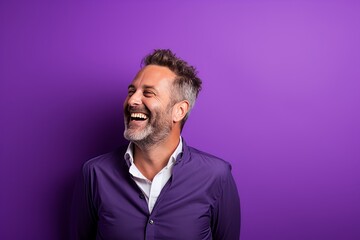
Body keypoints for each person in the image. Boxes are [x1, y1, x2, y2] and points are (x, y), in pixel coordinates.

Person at [70, 49, 240, 240]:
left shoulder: (216, 176)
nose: (132, 100)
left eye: (148, 93)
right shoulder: (94, 173)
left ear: (179, 111)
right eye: (131, 91)